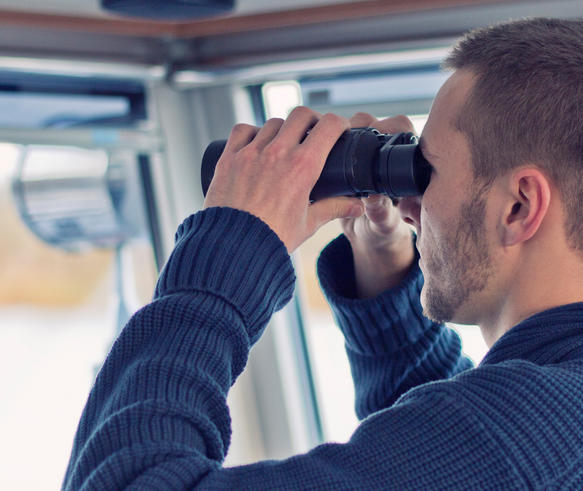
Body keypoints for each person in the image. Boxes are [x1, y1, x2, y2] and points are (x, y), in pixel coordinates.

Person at [62, 17, 583, 490]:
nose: (409, 206)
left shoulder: (526, 428)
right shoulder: (549, 416)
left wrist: (229, 247)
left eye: (428, 172)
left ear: (518, 206)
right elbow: (442, 455)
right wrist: (386, 274)